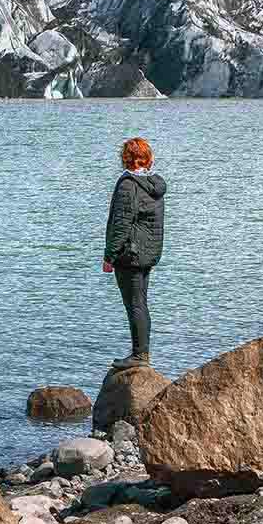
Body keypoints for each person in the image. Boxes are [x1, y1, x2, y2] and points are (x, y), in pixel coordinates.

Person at [101, 137, 166, 369]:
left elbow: (121, 224)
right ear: (148, 159)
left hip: (130, 254)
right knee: (140, 302)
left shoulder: (128, 185)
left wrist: (109, 256)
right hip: (147, 253)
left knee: (135, 304)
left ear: (126, 159)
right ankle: (141, 353)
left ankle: (140, 355)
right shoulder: (154, 184)